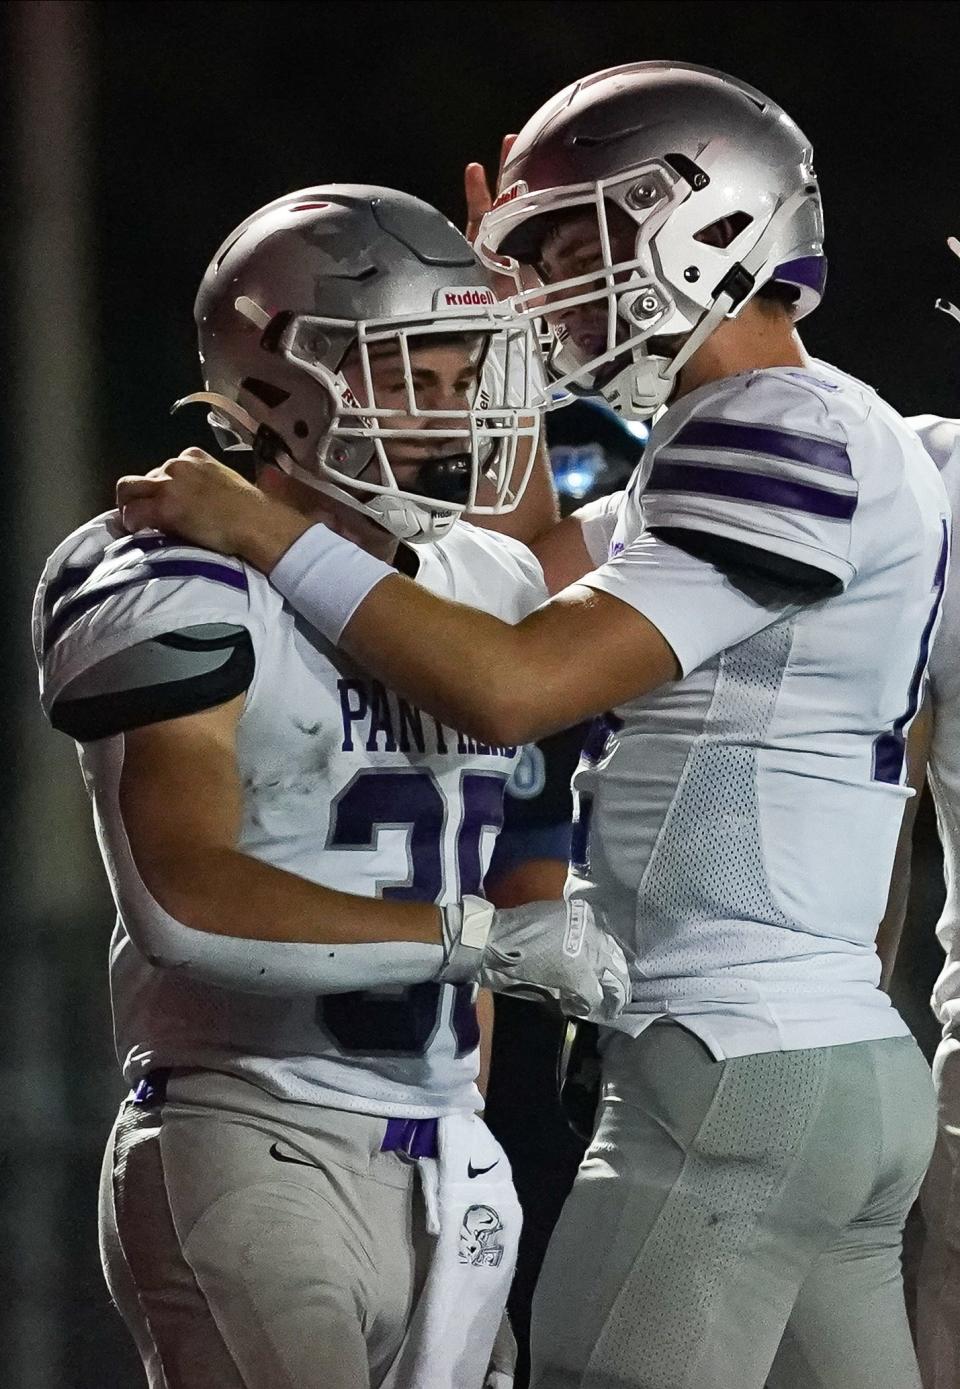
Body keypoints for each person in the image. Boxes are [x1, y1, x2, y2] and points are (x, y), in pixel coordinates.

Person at [121, 65, 953, 1389]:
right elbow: (531, 579)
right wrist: (498, 341)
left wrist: (265, 531)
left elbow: (509, 680)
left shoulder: (775, 428)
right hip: (821, 1061)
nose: (554, 285)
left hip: (730, 1060)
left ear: (707, 228)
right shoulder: (814, 432)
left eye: (574, 245)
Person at [34, 185, 631, 1389]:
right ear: (278, 386)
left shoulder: (486, 585)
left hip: (451, 1157)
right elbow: (185, 898)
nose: (453, 414)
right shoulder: (176, 575)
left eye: (469, 376)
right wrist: (478, 937)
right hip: (251, 1127)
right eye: (415, 373)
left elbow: (601, 559)